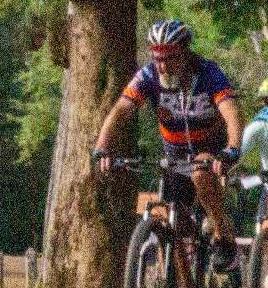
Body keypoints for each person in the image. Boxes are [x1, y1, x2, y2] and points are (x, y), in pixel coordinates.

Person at [93, 20, 245, 272]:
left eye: (170, 58)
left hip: (209, 149)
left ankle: (221, 229)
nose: (163, 65)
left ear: (185, 52)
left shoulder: (208, 74)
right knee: (171, 224)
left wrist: (232, 148)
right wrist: (102, 148)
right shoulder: (149, 75)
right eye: (157, 58)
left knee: (200, 172)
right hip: (174, 154)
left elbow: (231, 113)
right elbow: (121, 110)